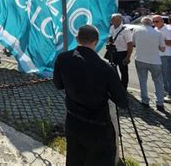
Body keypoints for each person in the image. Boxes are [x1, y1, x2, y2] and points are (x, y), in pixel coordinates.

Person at [53, 25, 128, 166]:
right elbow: (122, 102)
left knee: (75, 160)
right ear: (96, 40)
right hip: (98, 127)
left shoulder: (63, 58)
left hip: (73, 122)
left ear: (77, 39)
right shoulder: (106, 67)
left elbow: (59, 85)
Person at [133, 17, 166, 112]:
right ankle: (160, 103)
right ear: (151, 23)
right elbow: (163, 48)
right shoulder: (158, 33)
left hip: (140, 58)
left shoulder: (137, 30)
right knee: (158, 82)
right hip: (155, 60)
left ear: (142, 23)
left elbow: (134, 43)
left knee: (142, 80)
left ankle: (145, 101)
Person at [153, 15, 171, 103]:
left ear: (162, 21)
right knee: (161, 76)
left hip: (167, 55)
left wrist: (158, 40)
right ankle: (164, 92)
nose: (155, 23)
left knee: (167, 76)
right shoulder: (156, 29)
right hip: (159, 55)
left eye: (157, 21)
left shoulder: (168, 30)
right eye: (154, 21)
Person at [108, 13, 134, 89]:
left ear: (119, 20)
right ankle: (115, 85)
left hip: (122, 53)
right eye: (111, 19)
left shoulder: (126, 30)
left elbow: (130, 44)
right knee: (112, 70)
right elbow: (111, 38)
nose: (111, 20)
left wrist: (128, 57)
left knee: (124, 72)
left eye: (113, 19)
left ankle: (124, 87)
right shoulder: (111, 27)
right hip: (113, 52)